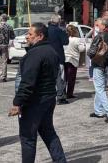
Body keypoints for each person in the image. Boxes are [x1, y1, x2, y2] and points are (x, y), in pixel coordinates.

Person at [8, 23, 66, 163]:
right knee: (48, 132)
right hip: (48, 98)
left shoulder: (35, 54)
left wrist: (17, 103)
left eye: (30, 34)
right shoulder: (51, 51)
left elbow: (27, 82)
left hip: (35, 101)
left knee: (28, 137)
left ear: (40, 36)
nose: (27, 37)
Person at [88, 18, 108, 122]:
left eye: (99, 25)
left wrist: (91, 55)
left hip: (99, 65)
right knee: (101, 88)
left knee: (100, 89)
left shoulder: (99, 37)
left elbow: (91, 52)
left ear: (103, 26)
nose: (98, 26)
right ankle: (98, 111)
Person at [48, 15, 70, 105]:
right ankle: (60, 97)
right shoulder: (59, 30)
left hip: (48, 56)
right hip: (58, 56)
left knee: (49, 77)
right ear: (59, 21)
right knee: (60, 78)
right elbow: (66, 42)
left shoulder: (46, 30)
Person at [64, 25, 85, 99]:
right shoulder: (77, 39)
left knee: (64, 77)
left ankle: (63, 93)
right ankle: (69, 94)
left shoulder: (65, 38)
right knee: (71, 78)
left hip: (65, 58)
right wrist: (83, 45)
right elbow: (81, 49)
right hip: (73, 59)